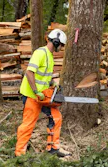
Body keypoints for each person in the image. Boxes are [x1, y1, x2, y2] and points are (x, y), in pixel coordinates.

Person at [15, 29, 69, 157]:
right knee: (28, 124)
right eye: (61, 45)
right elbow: (29, 72)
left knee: (56, 117)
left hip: (43, 96)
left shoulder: (49, 56)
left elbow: (43, 76)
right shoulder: (40, 53)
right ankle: (19, 154)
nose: (61, 48)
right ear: (56, 42)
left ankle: (53, 148)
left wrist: (52, 83)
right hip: (31, 95)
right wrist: (35, 91)